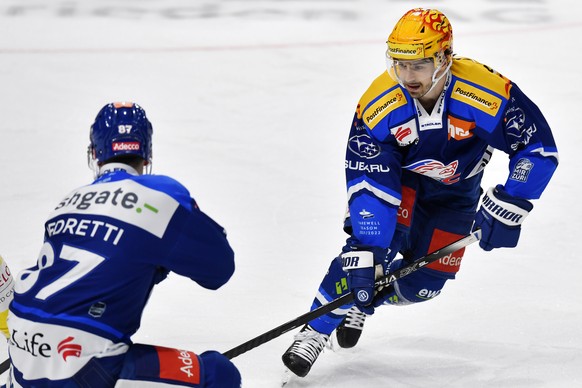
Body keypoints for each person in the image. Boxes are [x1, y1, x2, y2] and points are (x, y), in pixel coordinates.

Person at [282, 8, 559, 378]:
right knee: (366, 257)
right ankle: (315, 331)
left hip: (458, 191)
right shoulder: (380, 104)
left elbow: (536, 147)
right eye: (399, 64)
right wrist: (370, 243)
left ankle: (363, 305)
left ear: (444, 58)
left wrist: (511, 201)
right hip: (402, 183)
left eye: (419, 65)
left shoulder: (485, 91)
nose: (407, 76)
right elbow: (370, 174)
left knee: (425, 286)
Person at [5, 102, 241, 387]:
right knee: (219, 374)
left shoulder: (66, 203)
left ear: (95, 153)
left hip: (21, 353)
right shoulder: (160, 196)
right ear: (147, 154)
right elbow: (219, 271)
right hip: (82, 364)